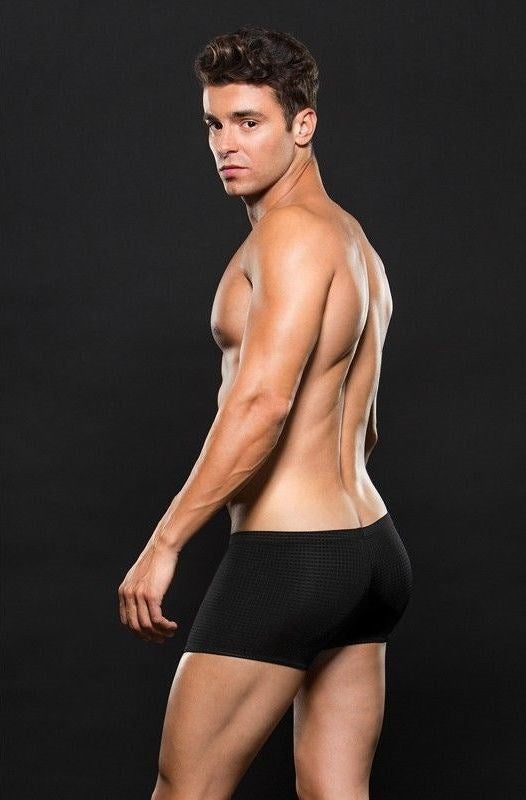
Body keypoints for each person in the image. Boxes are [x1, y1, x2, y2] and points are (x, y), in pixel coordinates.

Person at [118, 25, 413, 800]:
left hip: (293, 557)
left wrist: (165, 542)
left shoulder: (289, 234)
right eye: (215, 124)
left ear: (302, 124)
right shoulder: (354, 244)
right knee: (335, 791)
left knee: (185, 788)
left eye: (249, 122)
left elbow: (262, 402)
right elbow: (365, 426)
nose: (226, 144)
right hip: (371, 553)